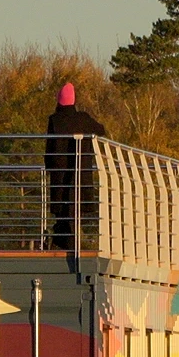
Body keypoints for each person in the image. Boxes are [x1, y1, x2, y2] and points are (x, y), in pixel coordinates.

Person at [42, 82, 107, 249]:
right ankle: (67, 242)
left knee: (63, 212)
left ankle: (61, 240)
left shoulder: (54, 120)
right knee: (74, 210)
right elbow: (101, 130)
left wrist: (49, 166)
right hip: (80, 174)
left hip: (60, 174)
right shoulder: (83, 119)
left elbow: (49, 147)